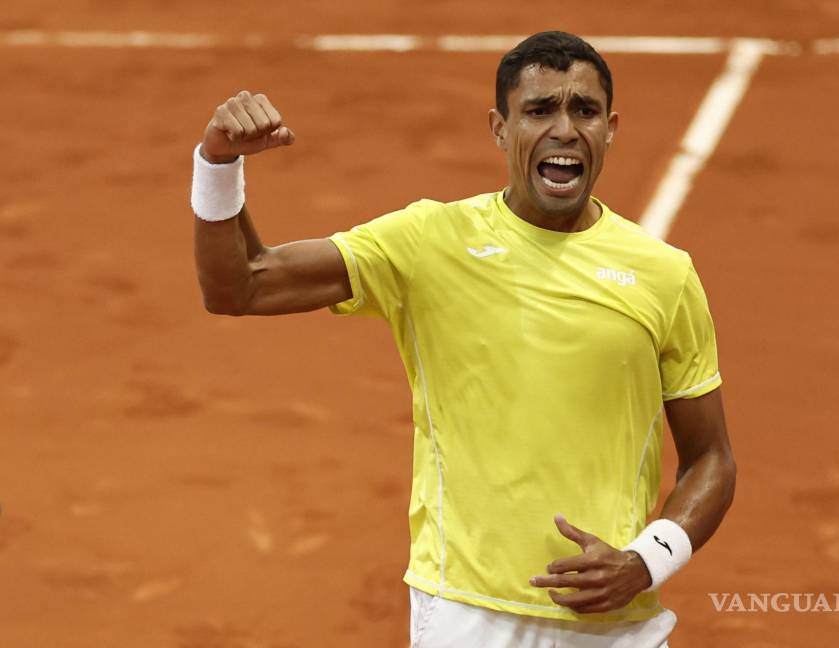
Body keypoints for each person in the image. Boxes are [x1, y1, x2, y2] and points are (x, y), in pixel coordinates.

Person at [191, 31, 735, 648]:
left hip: (615, 627)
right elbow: (240, 285)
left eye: (583, 110)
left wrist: (645, 561)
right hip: (466, 617)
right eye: (539, 110)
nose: (564, 129)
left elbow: (711, 458)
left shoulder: (664, 274)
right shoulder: (429, 241)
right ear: (500, 129)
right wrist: (218, 165)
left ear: (609, 129)